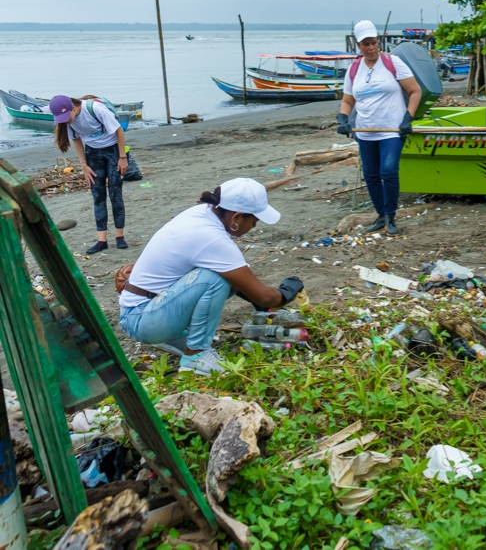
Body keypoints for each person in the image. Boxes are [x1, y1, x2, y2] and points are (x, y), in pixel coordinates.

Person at [118, 178, 303, 375]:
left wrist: (262, 302)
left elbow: (242, 281)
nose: (254, 227)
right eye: (254, 221)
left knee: (226, 273)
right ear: (237, 218)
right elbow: (263, 296)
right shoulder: (211, 237)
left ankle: (174, 335)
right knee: (215, 279)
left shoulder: (200, 215)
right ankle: (196, 356)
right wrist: (285, 293)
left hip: (145, 307)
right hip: (142, 320)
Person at [337, 20, 422, 236]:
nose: (371, 48)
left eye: (374, 43)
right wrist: (343, 119)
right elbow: (348, 101)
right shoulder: (354, 69)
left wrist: (407, 118)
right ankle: (381, 215)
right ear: (359, 46)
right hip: (365, 132)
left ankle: (391, 215)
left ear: (379, 42)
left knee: (389, 171)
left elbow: (415, 91)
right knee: (371, 175)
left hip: (392, 131)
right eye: (366, 44)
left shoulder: (393, 63)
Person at [51, 95, 129, 253]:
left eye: (67, 117)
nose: (66, 121)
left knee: (115, 193)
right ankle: (102, 240)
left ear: (74, 108)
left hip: (113, 151)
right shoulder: (68, 121)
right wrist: (84, 165)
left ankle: (119, 236)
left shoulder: (95, 109)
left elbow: (119, 130)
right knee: (98, 196)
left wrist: (122, 157)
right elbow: (77, 140)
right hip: (93, 154)